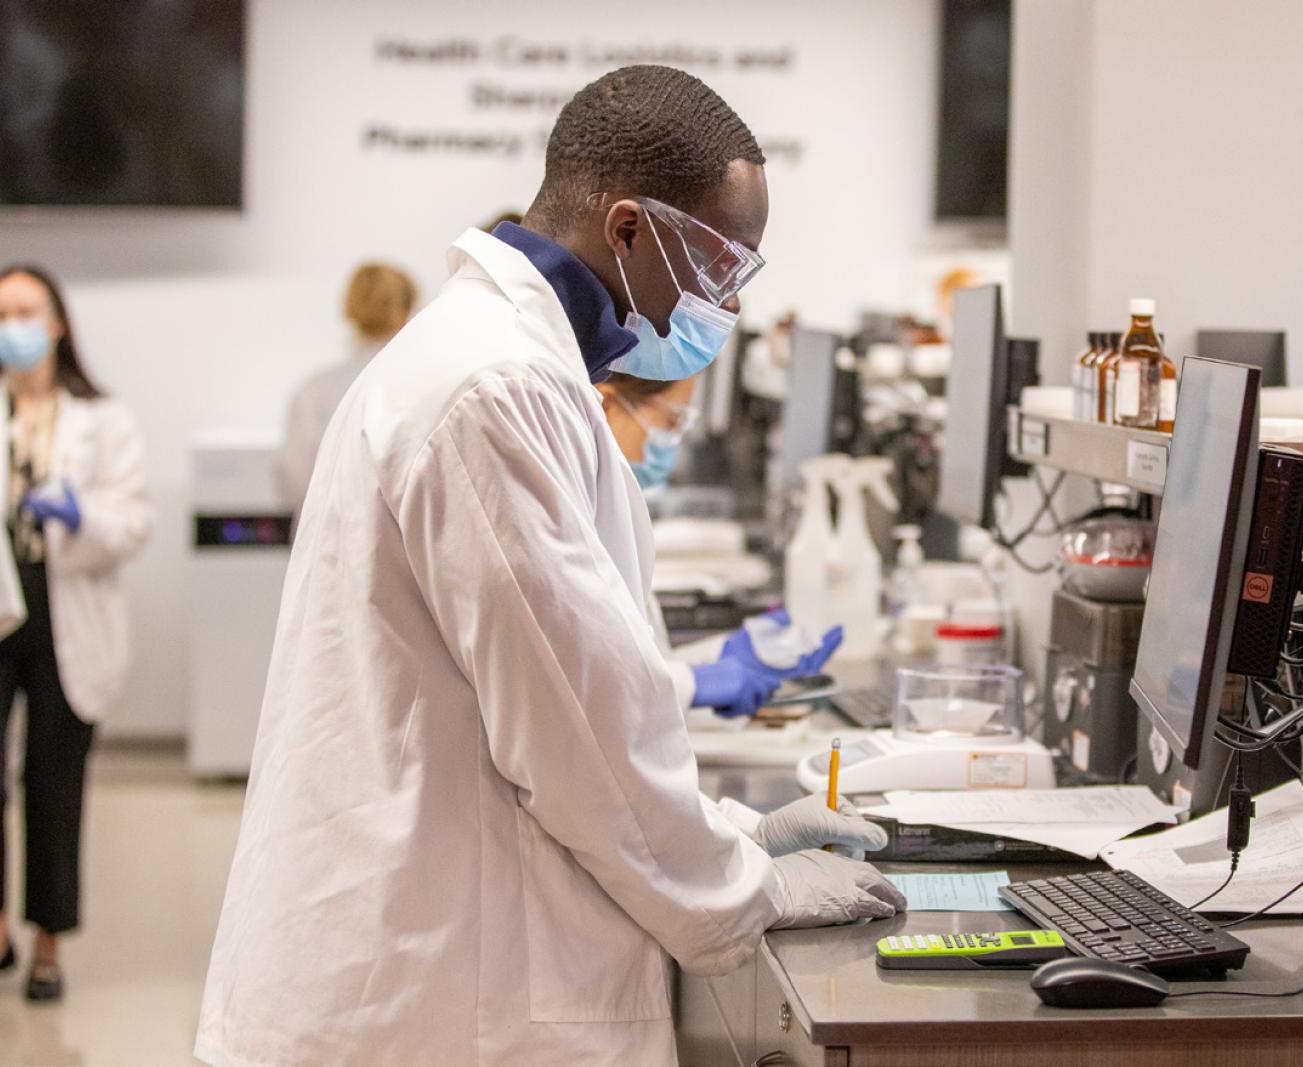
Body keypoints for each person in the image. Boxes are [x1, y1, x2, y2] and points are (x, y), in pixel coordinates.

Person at [196, 65, 901, 1067]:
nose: (723, 304)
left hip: (443, 956)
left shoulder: (510, 365)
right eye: (718, 266)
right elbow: (577, 728)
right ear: (625, 229)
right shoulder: (489, 386)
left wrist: (736, 825)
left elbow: (570, 704)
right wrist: (753, 885)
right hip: (439, 994)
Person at [0, 265, 151, 1003]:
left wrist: (79, 515)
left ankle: (48, 943)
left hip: (67, 614)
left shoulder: (104, 418)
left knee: (52, 786)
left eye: (26, 310)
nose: (14, 326)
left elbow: (134, 521)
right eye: (2, 313)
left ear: (57, 321)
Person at [596, 370, 844, 717]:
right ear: (606, 405)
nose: (673, 441)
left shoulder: (610, 507)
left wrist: (719, 659)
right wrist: (698, 683)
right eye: (671, 420)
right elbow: (590, 688)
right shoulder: (584, 519)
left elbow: (636, 664)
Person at [274, 262, 416, 515]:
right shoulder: (421, 385)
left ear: (350, 308)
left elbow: (293, 482)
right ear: (407, 312)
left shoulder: (314, 391)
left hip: (326, 542)